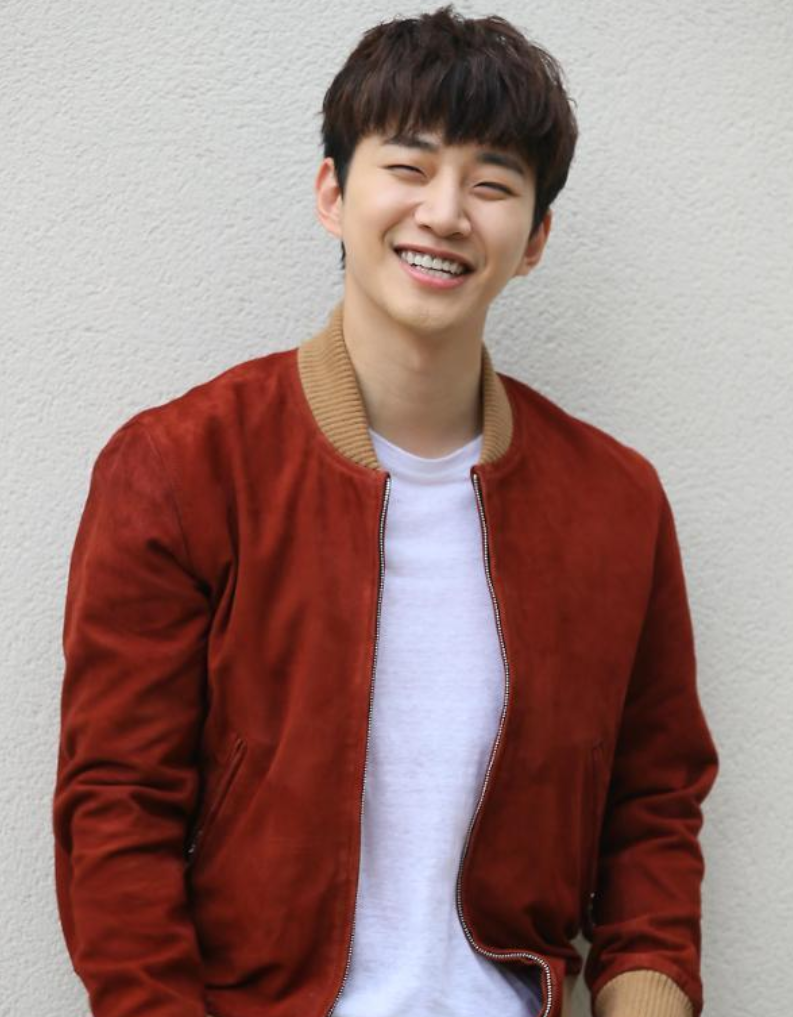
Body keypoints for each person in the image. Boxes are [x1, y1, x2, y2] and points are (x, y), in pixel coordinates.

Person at [52, 6, 719, 1017]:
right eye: (408, 166)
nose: (444, 213)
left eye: (492, 184)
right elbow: (116, 811)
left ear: (534, 239)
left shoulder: (613, 503)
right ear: (332, 192)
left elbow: (652, 806)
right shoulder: (181, 467)